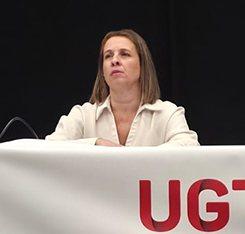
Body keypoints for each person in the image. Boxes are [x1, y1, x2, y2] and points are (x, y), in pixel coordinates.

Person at [46, 29, 199, 146]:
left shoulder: (168, 113)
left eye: (124, 54)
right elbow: (47, 148)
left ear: (142, 65)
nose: (115, 61)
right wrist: (95, 143)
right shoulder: (83, 115)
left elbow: (190, 147)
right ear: (102, 71)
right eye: (108, 56)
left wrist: (138, 159)